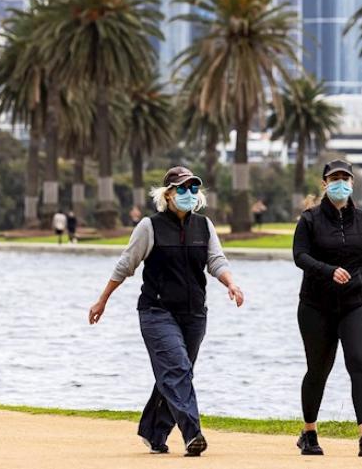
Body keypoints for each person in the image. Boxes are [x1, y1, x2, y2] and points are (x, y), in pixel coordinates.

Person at [88, 166, 245, 457]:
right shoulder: (150, 226)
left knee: (176, 373)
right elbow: (126, 265)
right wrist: (102, 300)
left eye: (193, 189)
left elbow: (216, 261)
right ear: (168, 194)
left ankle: (153, 431)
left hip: (195, 313)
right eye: (182, 189)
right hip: (156, 311)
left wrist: (231, 284)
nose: (189, 194)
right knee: (177, 369)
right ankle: (192, 433)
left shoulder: (204, 226)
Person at [291, 159, 362, 458]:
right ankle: (309, 433)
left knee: (360, 363)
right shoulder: (309, 220)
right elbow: (300, 256)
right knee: (318, 370)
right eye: (334, 178)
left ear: (352, 184)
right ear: (324, 184)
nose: (340, 183)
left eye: (345, 178)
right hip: (316, 304)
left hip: (358, 302)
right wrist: (328, 270)